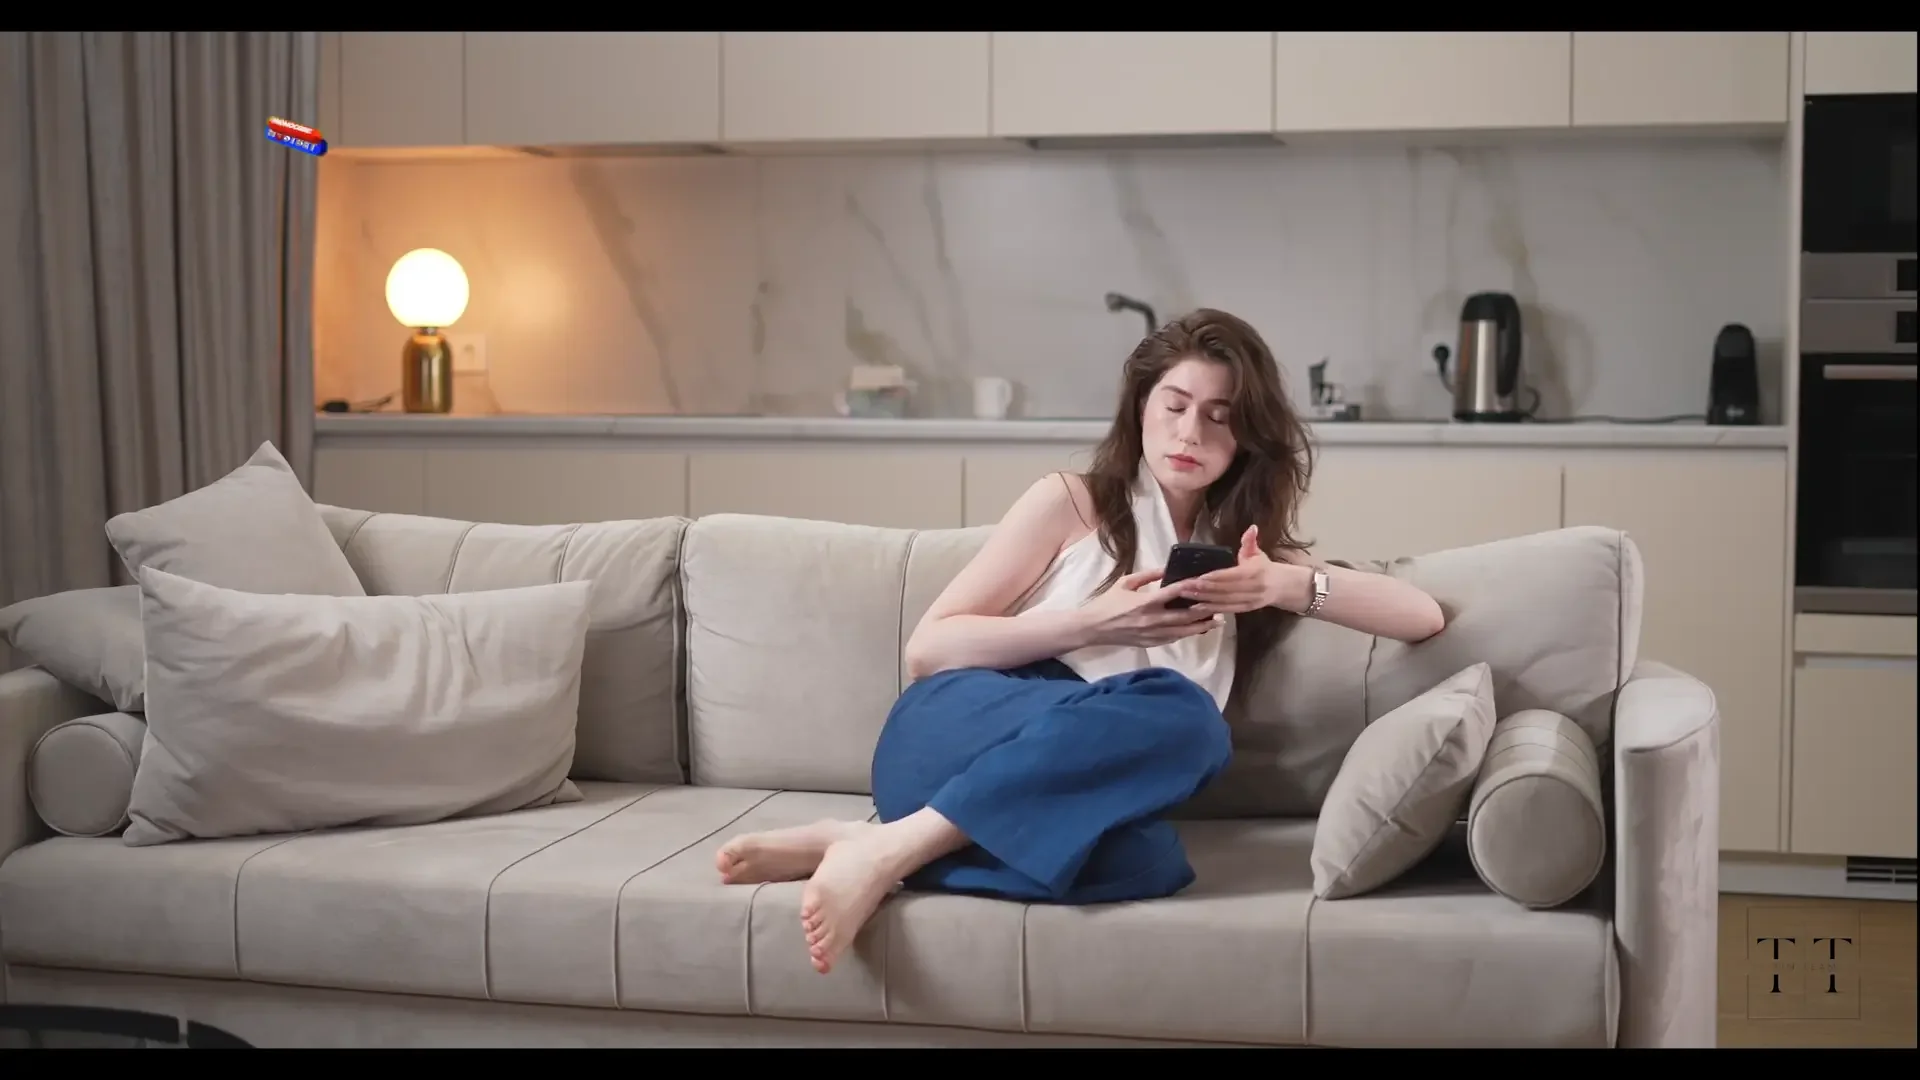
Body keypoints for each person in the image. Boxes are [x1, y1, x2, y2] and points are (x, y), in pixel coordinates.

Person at [715, 308, 1448, 974]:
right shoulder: (1073, 501)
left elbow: (1421, 616)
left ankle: (872, 842)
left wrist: (1284, 584)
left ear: (1247, 438)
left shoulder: (1246, 560)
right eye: (1176, 406)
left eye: (1220, 417)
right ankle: (889, 848)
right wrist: (1099, 622)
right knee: (1190, 718)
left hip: (1057, 785)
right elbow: (928, 650)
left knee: (1150, 859)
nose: (1191, 433)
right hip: (959, 727)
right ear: (1141, 407)